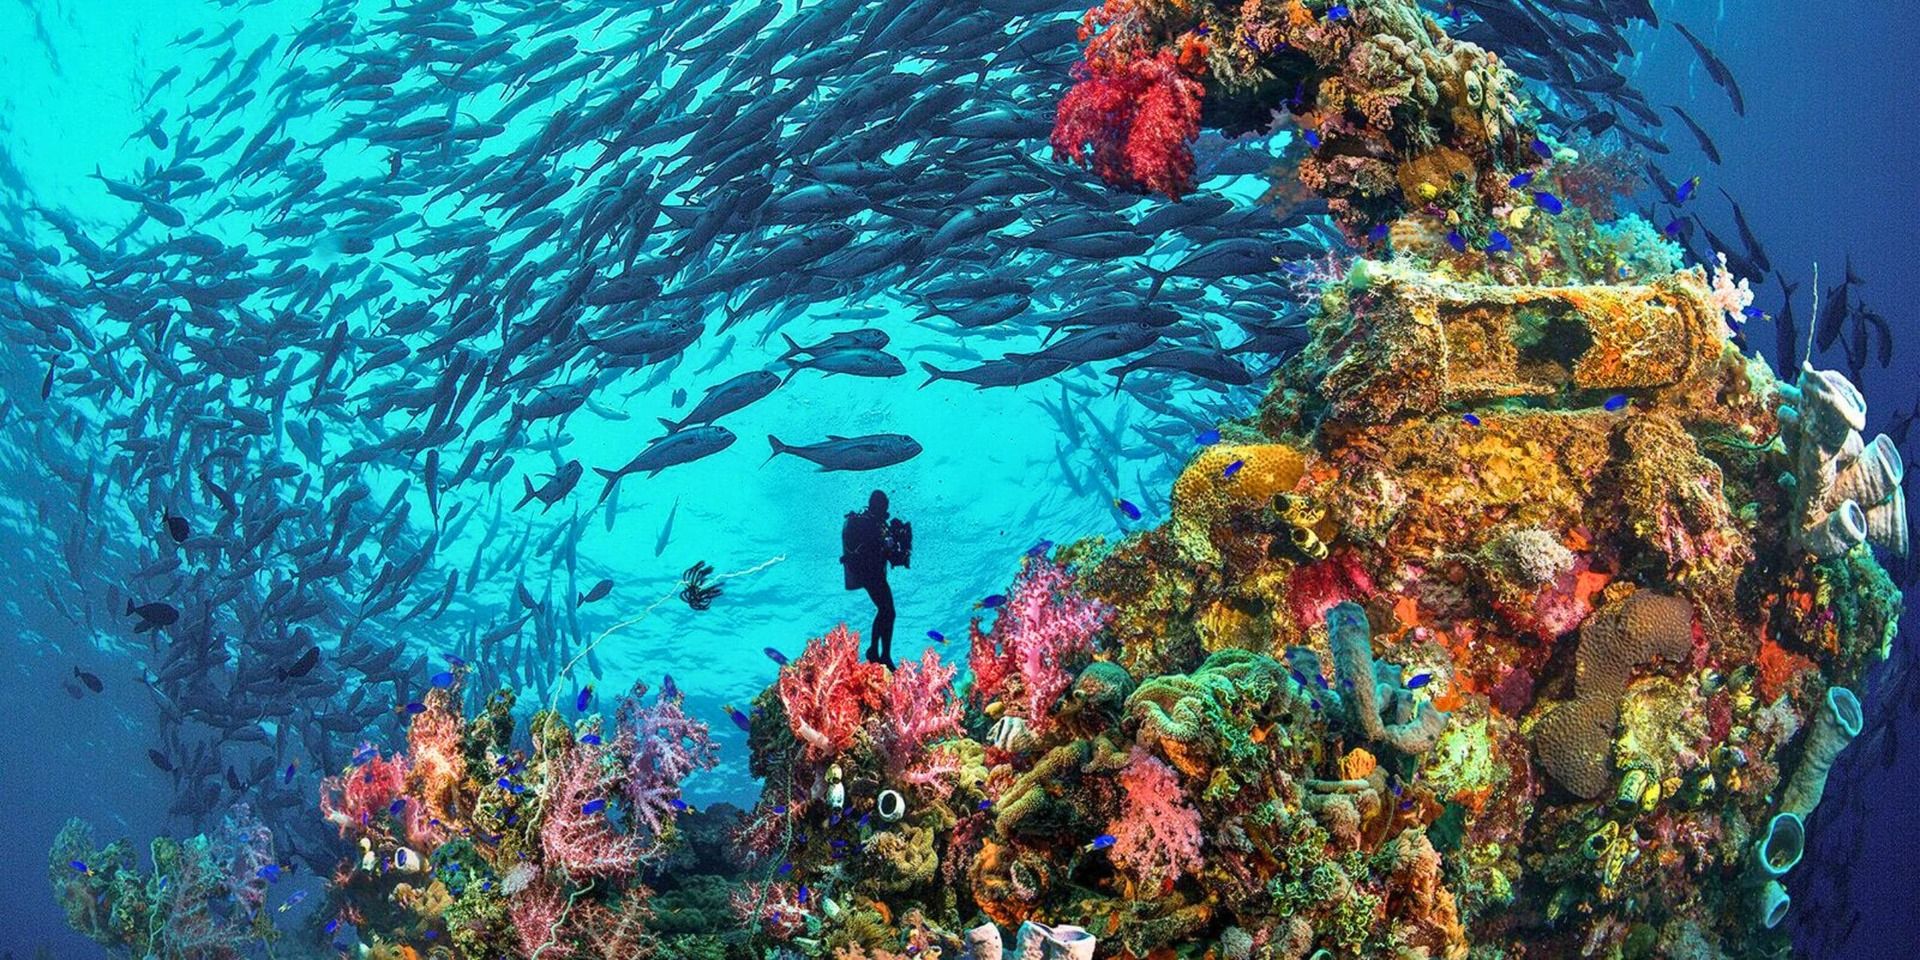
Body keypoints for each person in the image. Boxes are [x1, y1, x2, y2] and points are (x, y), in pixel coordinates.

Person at [841, 490, 911, 668]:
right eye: (882, 505)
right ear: (874, 504)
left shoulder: (881, 526)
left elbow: (896, 559)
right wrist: (889, 540)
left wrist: (905, 543)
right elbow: (870, 547)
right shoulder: (864, 522)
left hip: (875, 574)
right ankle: (879, 654)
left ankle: (879, 653)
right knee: (887, 610)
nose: (885, 509)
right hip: (867, 572)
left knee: (886, 610)